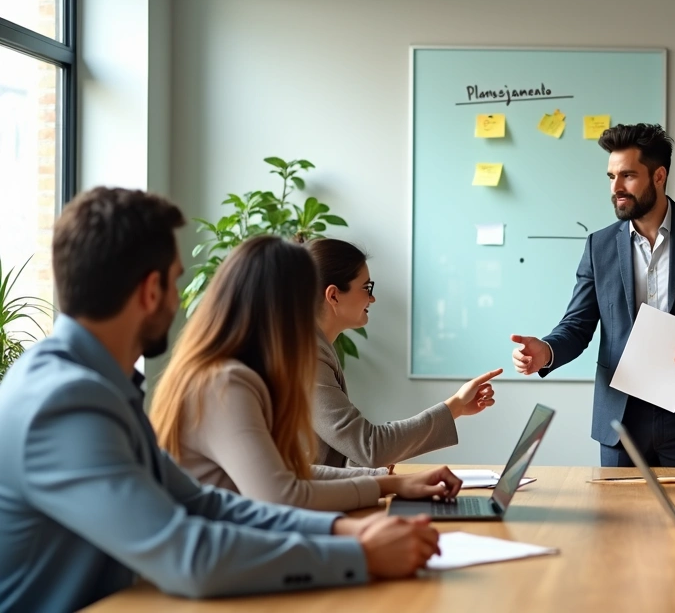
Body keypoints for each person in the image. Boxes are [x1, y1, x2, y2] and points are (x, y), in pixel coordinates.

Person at [0, 187, 440, 613]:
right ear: (151, 291)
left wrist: (345, 530)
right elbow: (187, 556)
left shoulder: (94, 384)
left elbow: (203, 503)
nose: (181, 299)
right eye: (177, 281)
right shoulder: (66, 403)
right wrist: (359, 554)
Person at [510, 123, 675, 468]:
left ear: (659, 176)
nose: (616, 188)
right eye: (611, 176)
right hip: (621, 417)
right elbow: (578, 324)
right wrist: (548, 350)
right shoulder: (599, 246)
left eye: (627, 175)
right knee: (618, 521)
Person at [151, 235, 462, 512]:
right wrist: (372, 512)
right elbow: (283, 495)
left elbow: (286, 473)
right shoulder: (226, 383)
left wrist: (386, 484)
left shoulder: (233, 372)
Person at [303, 237, 501, 469]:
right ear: (334, 295)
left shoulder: (313, 347)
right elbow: (370, 447)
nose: (372, 298)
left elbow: (355, 448)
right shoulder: (308, 358)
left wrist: (375, 468)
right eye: (367, 288)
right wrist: (454, 406)